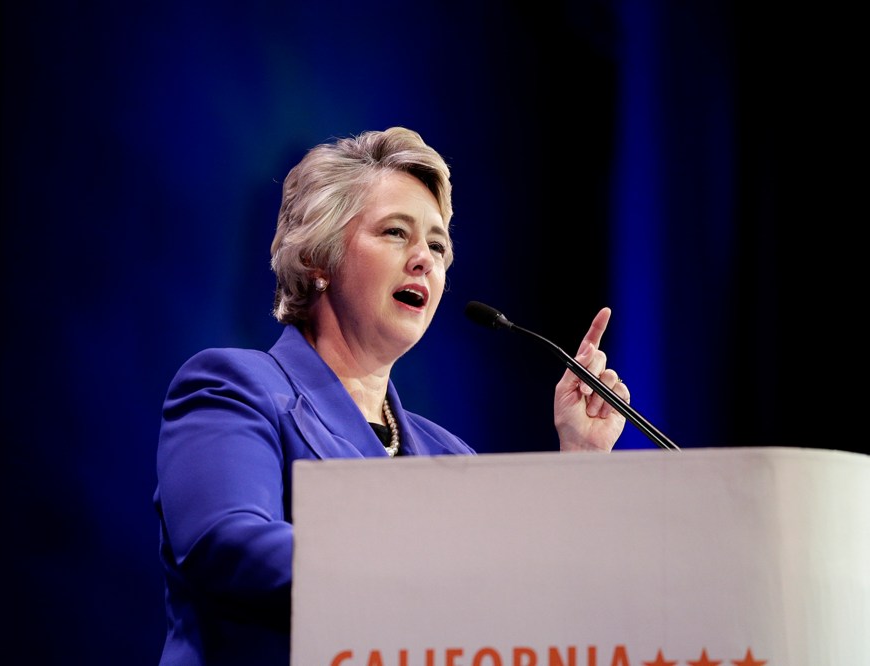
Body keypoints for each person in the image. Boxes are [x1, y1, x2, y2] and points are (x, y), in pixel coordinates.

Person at [152, 127, 629, 666]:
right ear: (319, 258)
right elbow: (226, 547)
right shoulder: (233, 387)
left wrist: (581, 464)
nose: (425, 259)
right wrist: (432, 570)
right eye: (395, 233)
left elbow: (522, 611)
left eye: (438, 244)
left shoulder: (452, 457)